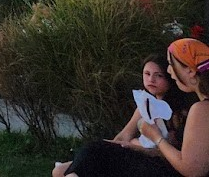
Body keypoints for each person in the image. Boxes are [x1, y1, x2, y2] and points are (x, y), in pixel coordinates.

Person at [60, 39, 209, 177]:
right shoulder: (198, 106)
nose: (170, 71)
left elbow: (193, 169)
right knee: (94, 152)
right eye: (147, 74)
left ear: (190, 70)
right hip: (162, 164)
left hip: (169, 171)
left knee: (94, 151)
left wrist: (156, 137)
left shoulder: (201, 109)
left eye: (172, 65)